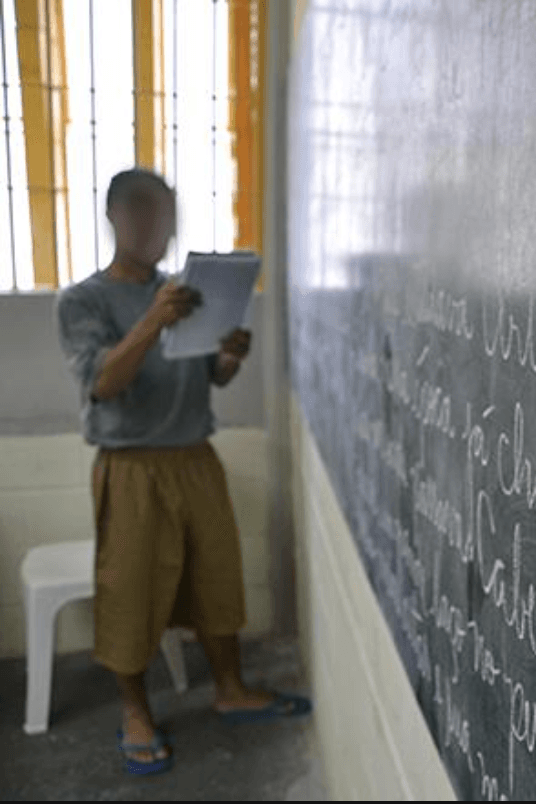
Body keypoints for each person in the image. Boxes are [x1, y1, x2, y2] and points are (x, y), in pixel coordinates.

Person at [54, 167, 310, 776]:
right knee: (132, 592)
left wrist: (227, 358)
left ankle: (231, 686)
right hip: (132, 466)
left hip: (195, 455)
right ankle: (135, 712)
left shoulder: (184, 292)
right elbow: (103, 383)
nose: (157, 225)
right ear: (115, 217)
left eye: (166, 212)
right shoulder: (84, 300)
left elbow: (206, 377)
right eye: (143, 212)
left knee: (216, 578)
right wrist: (152, 320)